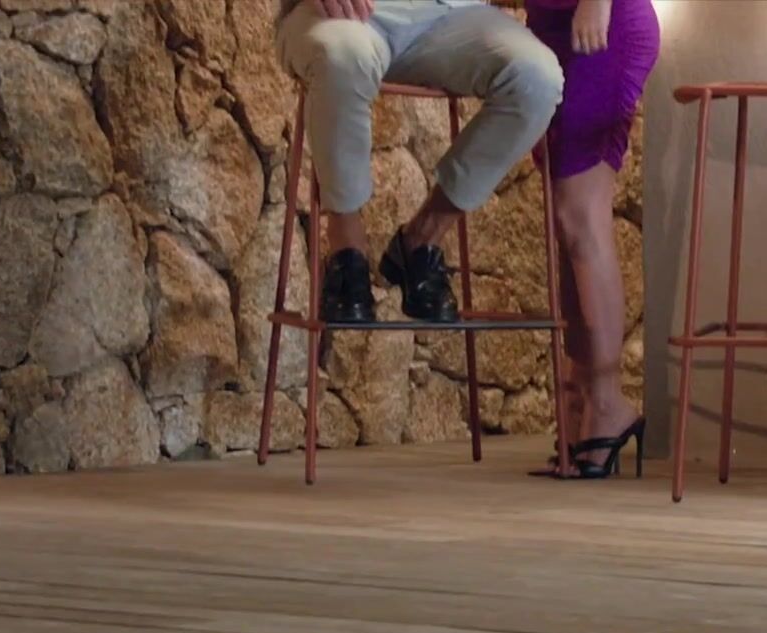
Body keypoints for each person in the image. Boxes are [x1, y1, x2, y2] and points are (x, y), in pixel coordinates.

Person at [276, 0, 565, 325]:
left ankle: (421, 240)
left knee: (537, 79)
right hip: (345, 16)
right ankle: (346, 249)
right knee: (342, 54)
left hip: (453, 14)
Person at [526, 0, 660, 480]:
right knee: (566, 223)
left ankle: (607, 402)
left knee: (581, 213)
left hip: (603, 27)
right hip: (548, 31)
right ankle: (582, 398)